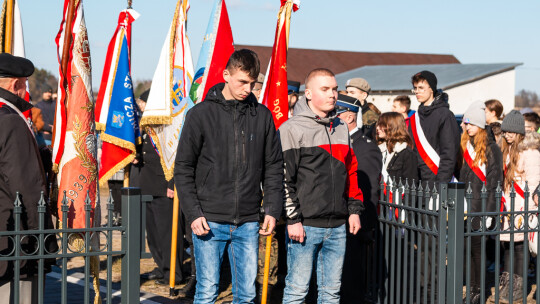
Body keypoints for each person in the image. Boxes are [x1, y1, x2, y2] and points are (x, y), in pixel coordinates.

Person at [174, 49, 283, 304]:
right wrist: (193, 213)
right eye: (242, 82)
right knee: (207, 292)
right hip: (208, 220)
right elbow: (183, 168)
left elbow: (274, 167)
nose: (248, 89)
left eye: (253, 83)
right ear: (226, 75)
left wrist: (272, 209)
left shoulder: (263, 116)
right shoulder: (200, 114)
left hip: (248, 221)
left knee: (246, 295)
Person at [279, 68, 363, 303]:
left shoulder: (341, 128)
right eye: (325, 89)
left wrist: (354, 211)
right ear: (308, 93)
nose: (333, 94)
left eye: (335, 89)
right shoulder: (291, 129)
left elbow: (351, 172)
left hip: (337, 226)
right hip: (305, 226)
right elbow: (283, 178)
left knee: (331, 293)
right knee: (297, 292)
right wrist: (293, 219)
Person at [0, 53, 58, 304]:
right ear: (16, 85)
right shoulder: (11, 121)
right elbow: (25, 187)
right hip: (15, 238)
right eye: (25, 84)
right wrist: (40, 239)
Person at [408, 70, 460, 300]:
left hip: (435, 187)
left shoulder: (444, 116)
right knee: (422, 241)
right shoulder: (415, 116)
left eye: (420, 87)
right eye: (415, 88)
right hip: (417, 187)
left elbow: (449, 155)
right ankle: (423, 287)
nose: (416, 92)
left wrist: (440, 189)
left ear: (432, 88)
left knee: (434, 244)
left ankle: (436, 291)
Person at [135, 89, 185, 287]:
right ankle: (161, 266)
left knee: (168, 233)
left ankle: (174, 272)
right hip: (148, 184)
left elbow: (176, 157)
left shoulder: (168, 126)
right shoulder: (147, 126)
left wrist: (173, 184)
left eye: (143, 104)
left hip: (165, 187)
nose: (141, 107)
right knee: (153, 233)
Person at [335, 94, 382, 302]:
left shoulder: (365, 146)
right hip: (338, 220)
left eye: (336, 113)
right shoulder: (340, 140)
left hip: (354, 224)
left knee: (351, 282)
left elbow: (368, 189)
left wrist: (364, 226)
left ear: (348, 116)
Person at [459, 101, 503, 304]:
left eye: (471, 124)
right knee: (468, 250)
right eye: (466, 124)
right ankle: (472, 288)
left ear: (480, 125)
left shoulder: (492, 148)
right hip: (467, 207)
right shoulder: (466, 146)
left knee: (479, 252)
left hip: (481, 208)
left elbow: (495, 183)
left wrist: (489, 213)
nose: (467, 127)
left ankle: (479, 291)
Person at [498, 110, 540, 302]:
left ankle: (519, 288)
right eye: (505, 131)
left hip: (523, 207)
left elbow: (533, 183)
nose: (506, 135)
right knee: (508, 246)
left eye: (510, 132)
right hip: (508, 205)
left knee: (521, 248)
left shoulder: (530, 153)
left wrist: (530, 208)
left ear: (519, 133)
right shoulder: (507, 150)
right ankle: (508, 285)